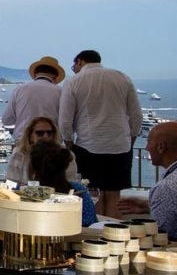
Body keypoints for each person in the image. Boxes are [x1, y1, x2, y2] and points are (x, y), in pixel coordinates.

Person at [59, 49, 142, 219]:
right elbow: (136, 116)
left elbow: (65, 120)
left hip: (88, 146)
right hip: (120, 145)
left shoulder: (74, 81)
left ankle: (96, 239)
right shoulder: (122, 77)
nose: (73, 69)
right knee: (114, 197)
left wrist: (69, 146)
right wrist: (130, 140)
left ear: (80, 62)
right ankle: (115, 238)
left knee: (93, 197)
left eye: (74, 65)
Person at [29, 141, 97, 227]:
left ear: (33, 166)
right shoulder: (79, 191)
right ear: (65, 166)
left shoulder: (28, 194)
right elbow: (91, 225)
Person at [2, 56, 64, 141]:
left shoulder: (19, 89)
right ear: (55, 75)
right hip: (50, 141)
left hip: (23, 140)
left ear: (35, 73)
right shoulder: (60, 91)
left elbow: (7, 120)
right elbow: (65, 121)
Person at [5, 116, 78, 185]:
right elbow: (9, 184)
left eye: (49, 133)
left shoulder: (65, 156)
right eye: (40, 133)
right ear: (30, 136)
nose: (45, 136)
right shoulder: (19, 155)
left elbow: (71, 184)